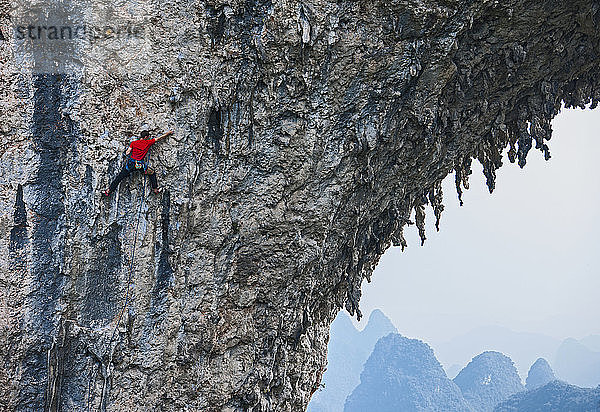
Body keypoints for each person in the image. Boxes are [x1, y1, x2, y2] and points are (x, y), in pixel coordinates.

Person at [103, 130, 173, 196]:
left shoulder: (133, 143)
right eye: (147, 137)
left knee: (119, 177)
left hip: (131, 165)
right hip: (140, 165)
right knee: (152, 173)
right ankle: (155, 189)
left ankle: (108, 191)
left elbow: (128, 152)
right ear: (146, 137)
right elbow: (159, 138)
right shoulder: (148, 142)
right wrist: (168, 133)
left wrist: (126, 153)